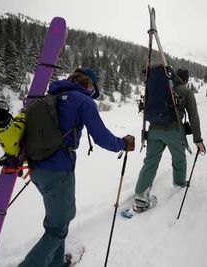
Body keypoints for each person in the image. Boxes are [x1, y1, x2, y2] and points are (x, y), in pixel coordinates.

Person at [18, 67, 135, 267]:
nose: (92, 94)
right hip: (58, 170)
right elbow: (101, 137)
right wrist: (122, 144)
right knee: (57, 230)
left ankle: (56, 263)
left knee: (58, 223)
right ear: (89, 84)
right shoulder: (83, 101)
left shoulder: (52, 95)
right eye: (93, 89)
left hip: (37, 168)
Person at [133, 68, 205, 212]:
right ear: (185, 80)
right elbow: (193, 116)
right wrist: (198, 139)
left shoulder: (160, 86)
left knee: (150, 162)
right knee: (179, 159)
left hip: (153, 130)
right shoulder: (185, 91)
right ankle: (179, 185)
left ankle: (140, 197)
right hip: (173, 130)